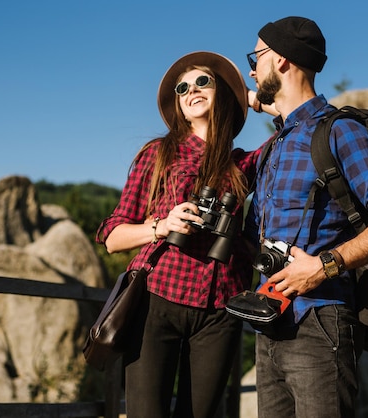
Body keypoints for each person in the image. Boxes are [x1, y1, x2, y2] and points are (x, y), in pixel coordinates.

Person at [243, 17, 368, 417]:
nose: (252, 68)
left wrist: (323, 267)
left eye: (257, 56)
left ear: (283, 61)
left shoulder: (339, 132)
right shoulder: (279, 142)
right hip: (269, 324)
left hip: (319, 322)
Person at [96, 51, 260, 418]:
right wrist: (162, 226)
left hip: (221, 305)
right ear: (179, 107)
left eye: (204, 82)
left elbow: (293, 132)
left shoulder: (242, 164)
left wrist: (248, 96)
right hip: (159, 297)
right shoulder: (158, 154)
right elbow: (112, 235)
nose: (191, 90)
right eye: (181, 88)